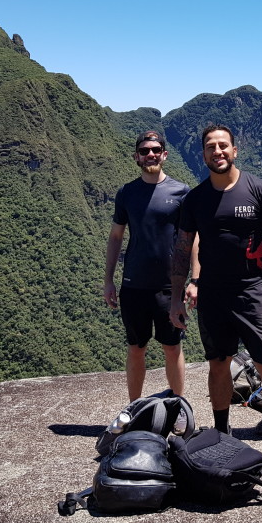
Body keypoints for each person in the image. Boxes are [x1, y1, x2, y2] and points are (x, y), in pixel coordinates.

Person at [169, 125, 262, 477]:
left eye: (223, 145)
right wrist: (176, 298)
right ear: (203, 153)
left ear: (235, 150)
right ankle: (221, 434)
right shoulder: (195, 199)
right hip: (213, 293)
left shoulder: (259, 189)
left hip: (253, 291)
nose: (217, 151)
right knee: (218, 364)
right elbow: (182, 251)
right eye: (210, 147)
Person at [104, 131, 189, 401]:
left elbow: (192, 239)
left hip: (170, 287)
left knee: (172, 347)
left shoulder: (182, 192)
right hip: (134, 285)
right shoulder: (127, 193)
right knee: (136, 348)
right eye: (144, 151)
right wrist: (108, 280)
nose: (150, 154)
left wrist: (195, 280)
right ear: (136, 157)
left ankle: (177, 406)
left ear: (164, 155)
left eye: (155, 150)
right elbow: (116, 237)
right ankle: (134, 408)